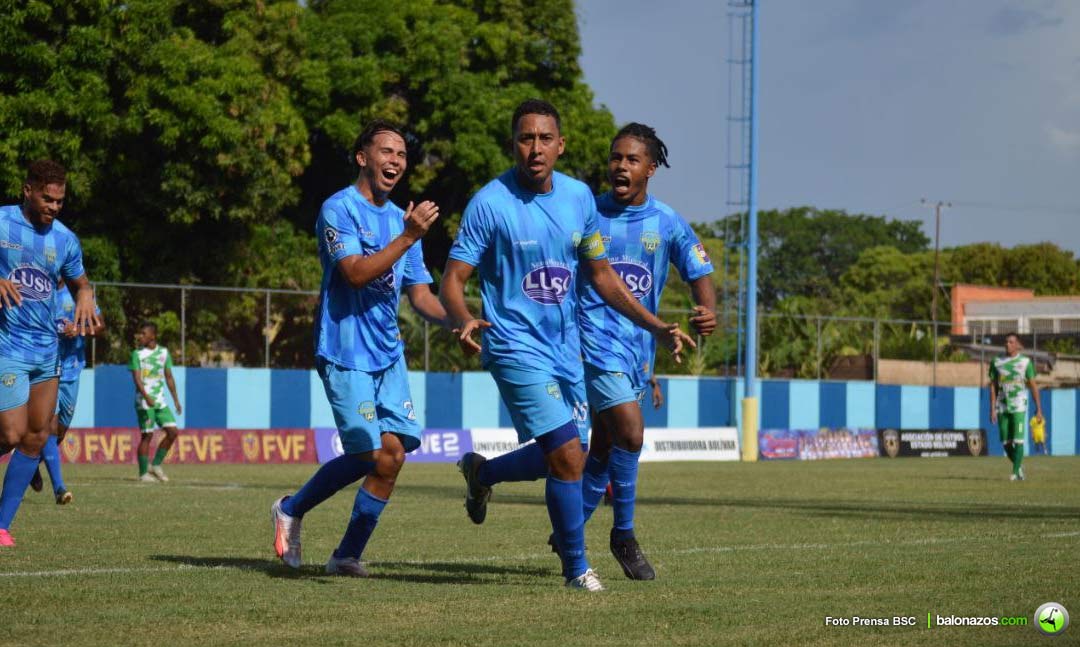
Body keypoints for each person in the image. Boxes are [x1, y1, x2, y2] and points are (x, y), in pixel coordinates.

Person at [439, 100, 693, 591]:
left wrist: (655, 326)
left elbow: (601, 276)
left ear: (561, 145)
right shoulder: (489, 202)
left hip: (565, 347)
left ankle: (483, 472)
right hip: (513, 344)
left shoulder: (579, 199)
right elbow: (453, 278)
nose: (534, 149)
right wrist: (465, 317)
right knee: (569, 454)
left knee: (568, 453)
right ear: (514, 143)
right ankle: (578, 568)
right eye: (525, 138)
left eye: (543, 139)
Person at [270, 119, 446, 577]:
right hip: (344, 350)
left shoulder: (399, 218)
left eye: (403, 155)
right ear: (362, 157)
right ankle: (291, 507)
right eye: (386, 151)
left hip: (388, 354)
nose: (396, 161)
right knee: (369, 453)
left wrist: (462, 321)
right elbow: (355, 273)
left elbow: (421, 294)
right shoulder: (338, 208)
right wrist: (408, 237)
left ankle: (346, 554)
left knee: (393, 456)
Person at [0, 159, 100, 547]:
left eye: (60, 201)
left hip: (48, 353)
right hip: (9, 346)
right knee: (10, 433)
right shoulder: (4, 223)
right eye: (47, 198)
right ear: (28, 190)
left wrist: (87, 297)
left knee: (38, 436)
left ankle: (2, 526)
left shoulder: (65, 240)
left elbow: (81, 282)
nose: (54, 207)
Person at [28, 281, 104, 503]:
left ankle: (29, 458)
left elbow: (101, 326)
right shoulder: (38, 291)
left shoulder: (79, 295)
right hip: (45, 368)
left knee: (59, 432)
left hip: (72, 370)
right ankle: (60, 488)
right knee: (48, 425)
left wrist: (78, 329)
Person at [130, 321, 182, 482]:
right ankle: (143, 473)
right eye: (140, 334)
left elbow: (169, 377)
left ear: (153, 335)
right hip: (144, 401)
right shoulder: (137, 354)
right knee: (147, 435)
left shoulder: (164, 353)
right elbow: (137, 379)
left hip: (160, 401)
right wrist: (146, 397)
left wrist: (176, 400)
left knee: (173, 432)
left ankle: (156, 464)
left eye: (144, 334)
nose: (141, 337)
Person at [988, 333, 1043, 481]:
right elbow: (993, 386)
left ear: (1018, 345)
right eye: (1006, 342)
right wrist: (992, 408)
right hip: (1002, 406)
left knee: (1018, 440)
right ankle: (1019, 468)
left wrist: (1039, 408)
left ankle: (1014, 472)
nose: (1007, 344)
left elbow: (1033, 386)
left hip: (1019, 405)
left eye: (1011, 342)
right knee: (1005, 443)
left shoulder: (1025, 362)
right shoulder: (996, 362)